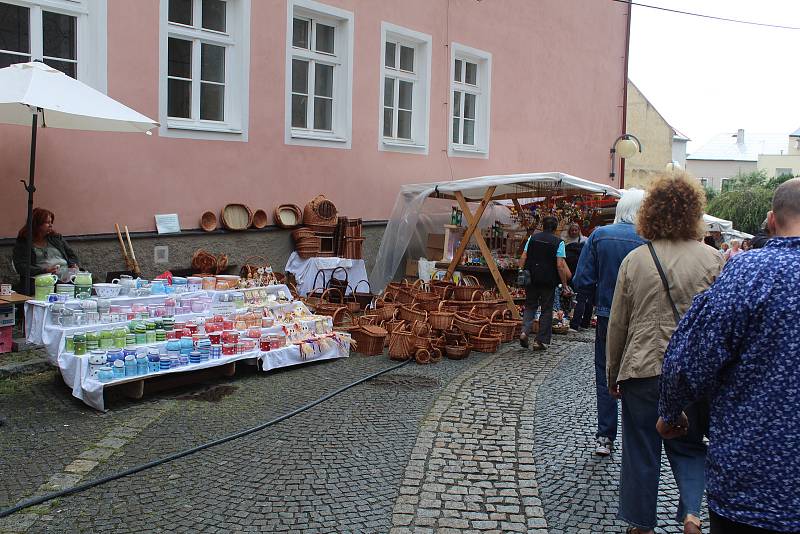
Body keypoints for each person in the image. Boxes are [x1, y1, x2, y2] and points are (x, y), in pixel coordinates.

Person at [658, 178, 800, 534]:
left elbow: (690, 356)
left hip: (750, 478)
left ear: (771, 220)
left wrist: (671, 412)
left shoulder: (749, 274)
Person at [607, 173, 724, 534]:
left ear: (650, 214)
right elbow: (722, 325)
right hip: (693, 374)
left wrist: (613, 375)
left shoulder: (636, 260)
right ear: (694, 214)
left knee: (641, 448)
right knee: (689, 447)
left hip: (642, 369)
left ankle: (642, 525)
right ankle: (691, 513)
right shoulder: (714, 260)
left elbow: (618, 325)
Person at [573, 188, 646, 456]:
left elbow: (582, 280)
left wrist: (590, 304)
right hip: (643, 318)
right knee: (639, 376)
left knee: (606, 375)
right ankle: (636, 437)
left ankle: (605, 436)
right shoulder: (650, 240)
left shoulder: (600, 236)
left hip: (607, 314)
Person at [518, 216, 572, 351]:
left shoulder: (533, 238)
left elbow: (524, 256)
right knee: (546, 309)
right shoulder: (559, 242)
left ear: (542, 226)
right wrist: (564, 285)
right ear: (555, 228)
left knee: (530, 305)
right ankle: (539, 341)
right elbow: (560, 265)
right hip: (548, 280)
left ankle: (524, 332)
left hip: (532, 278)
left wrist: (520, 271)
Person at [12, 208, 80, 287]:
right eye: (47, 222)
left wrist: (73, 265)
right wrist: (45, 270)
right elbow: (21, 267)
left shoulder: (56, 238)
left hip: (66, 275)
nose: (51, 225)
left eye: (51, 222)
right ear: (37, 224)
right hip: (42, 279)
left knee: (84, 281)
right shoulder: (24, 242)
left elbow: (72, 255)